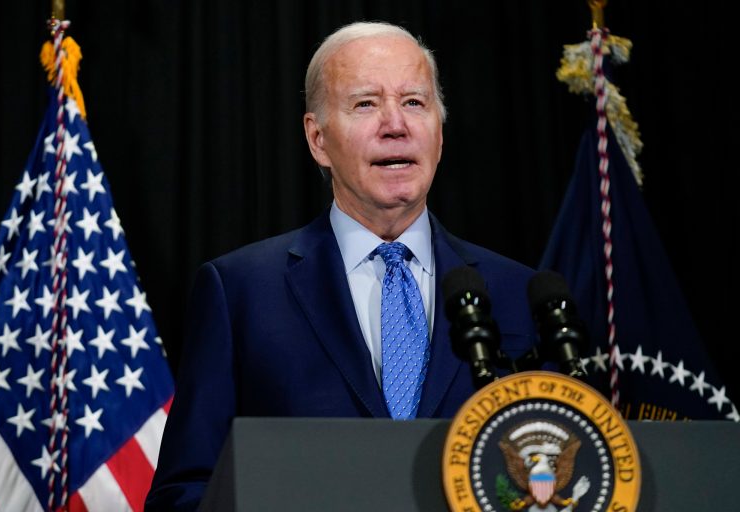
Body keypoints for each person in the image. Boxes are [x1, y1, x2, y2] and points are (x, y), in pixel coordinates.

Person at [145, 20, 538, 511]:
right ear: (318, 140)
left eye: (414, 102)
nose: (396, 124)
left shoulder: (517, 293)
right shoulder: (241, 291)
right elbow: (184, 493)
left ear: (439, 134)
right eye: (366, 103)